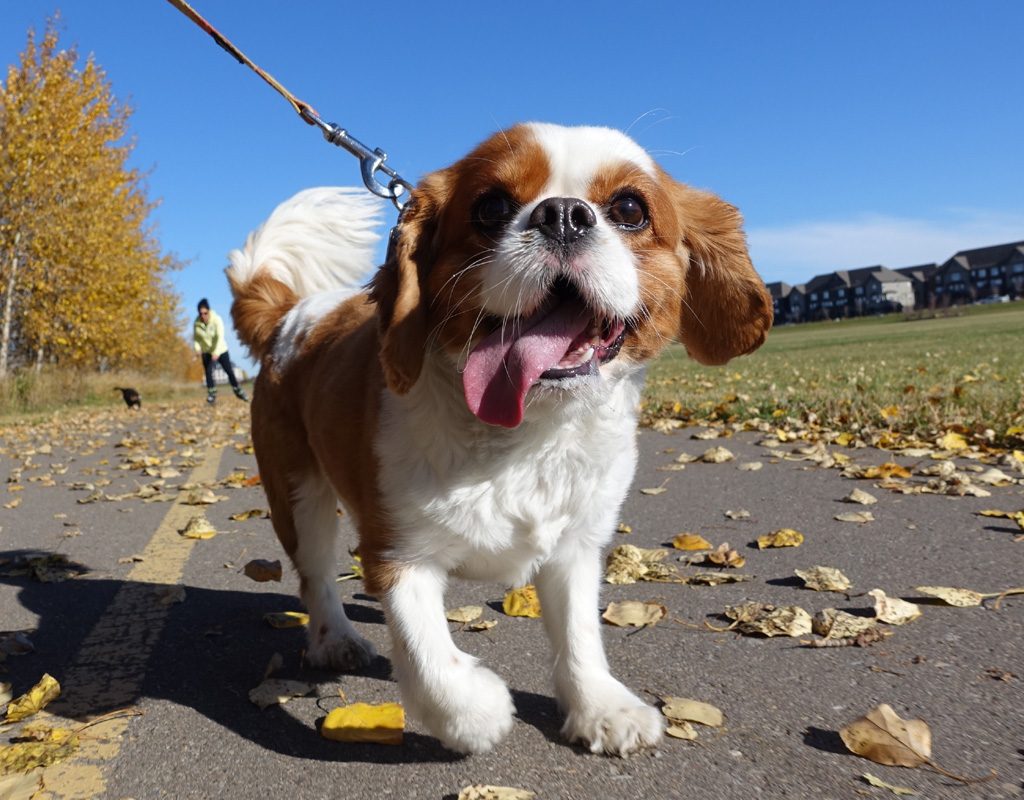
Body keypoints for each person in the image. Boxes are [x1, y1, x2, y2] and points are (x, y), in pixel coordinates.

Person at [193, 298, 248, 404]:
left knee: (229, 371)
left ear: (209, 311)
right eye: (201, 313)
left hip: (221, 350)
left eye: (205, 313)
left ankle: (238, 390)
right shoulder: (196, 323)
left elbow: (220, 337)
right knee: (208, 372)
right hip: (207, 351)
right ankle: (211, 395)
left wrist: (216, 352)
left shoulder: (216, 319)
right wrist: (197, 349)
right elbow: (196, 339)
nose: (203, 316)